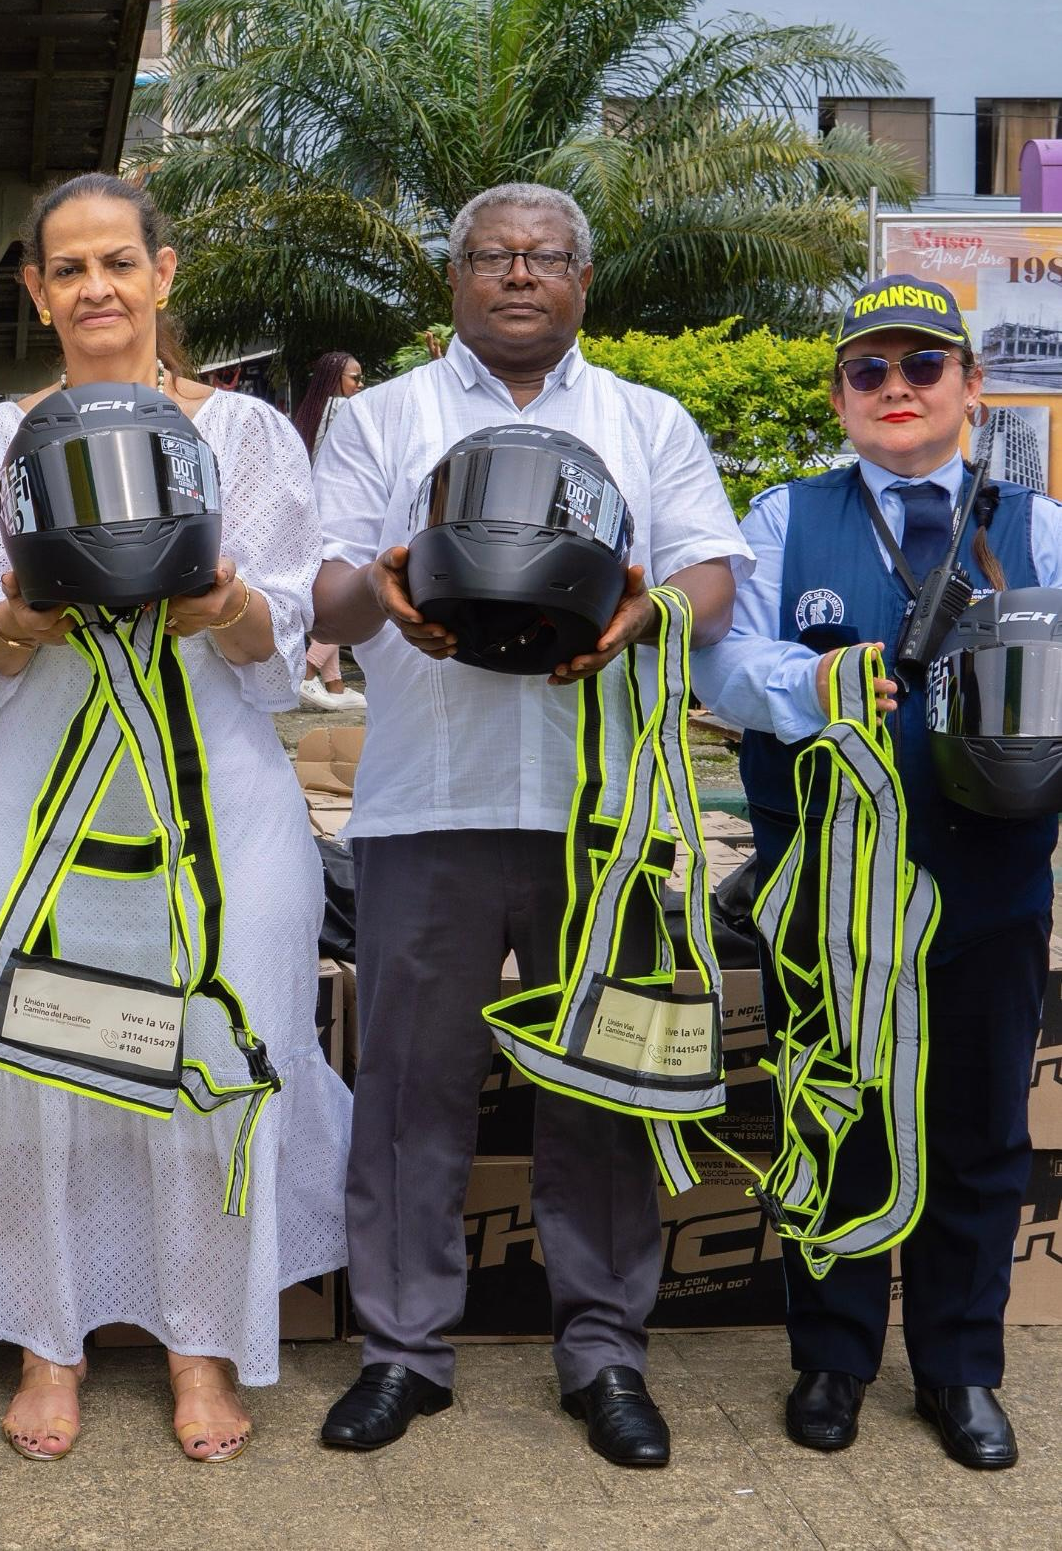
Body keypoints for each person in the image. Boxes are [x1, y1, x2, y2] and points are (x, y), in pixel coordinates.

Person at [0, 171, 352, 1465]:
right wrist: (21, 616)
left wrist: (216, 604)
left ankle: (201, 1344)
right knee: (38, 1050)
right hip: (40, 808)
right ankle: (48, 1338)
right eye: (70, 269)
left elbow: (283, 643)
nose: (97, 288)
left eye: (120, 263)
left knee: (218, 1055)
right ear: (39, 292)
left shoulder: (251, 439)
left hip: (218, 811)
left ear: (164, 275)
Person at [310, 182, 745, 1468]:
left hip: (601, 822)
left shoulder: (643, 420)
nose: (516, 274)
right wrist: (384, 589)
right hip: (421, 807)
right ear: (452, 280)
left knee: (601, 1090)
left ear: (581, 283)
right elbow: (323, 596)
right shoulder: (378, 418)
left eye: (543, 257)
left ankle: (603, 1353)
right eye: (489, 256)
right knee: (405, 1091)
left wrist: (641, 613)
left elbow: (710, 583)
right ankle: (400, 1352)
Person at [695, 274, 1061, 1469]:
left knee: (974, 1131)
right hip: (824, 894)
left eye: (919, 367)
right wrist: (811, 683)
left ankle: (959, 1370)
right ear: (839, 393)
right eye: (867, 371)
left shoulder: (1041, 527)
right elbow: (720, 668)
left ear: (965, 386)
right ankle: (831, 1360)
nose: (893, 389)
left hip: (987, 881)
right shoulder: (779, 517)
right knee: (832, 1116)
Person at [295, 350, 368, 712]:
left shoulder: (313, 413)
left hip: (312, 518)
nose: (361, 384)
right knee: (343, 600)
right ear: (338, 379)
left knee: (329, 596)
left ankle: (335, 685)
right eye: (355, 378)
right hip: (342, 517)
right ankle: (307, 673)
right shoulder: (346, 412)